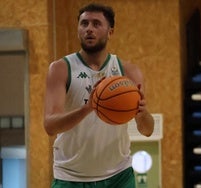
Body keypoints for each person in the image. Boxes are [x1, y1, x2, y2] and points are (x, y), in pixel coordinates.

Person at [44, 3, 154, 188]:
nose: (89, 29)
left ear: (110, 31)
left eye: (96, 24)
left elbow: (147, 130)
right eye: (84, 23)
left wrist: (143, 114)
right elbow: (50, 125)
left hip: (119, 176)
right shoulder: (61, 69)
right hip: (71, 177)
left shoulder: (128, 71)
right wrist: (88, 108)